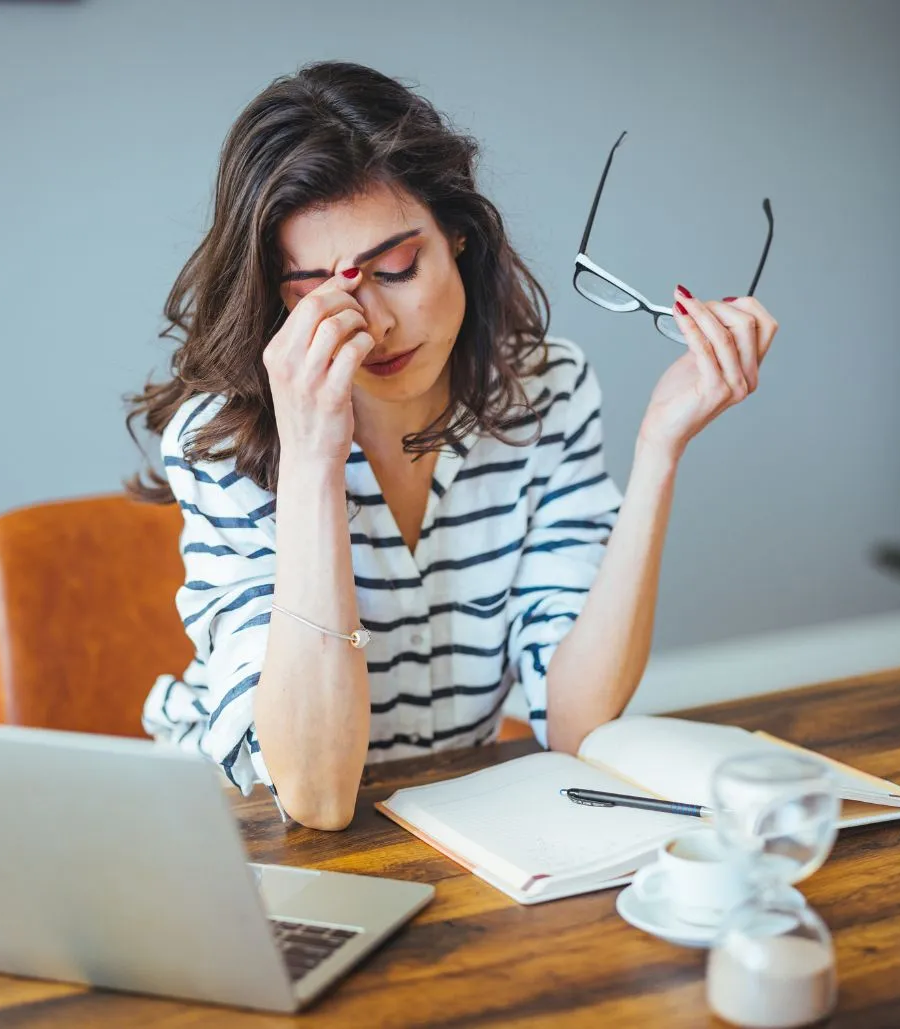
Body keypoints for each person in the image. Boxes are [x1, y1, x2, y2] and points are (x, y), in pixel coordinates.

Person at [124, 61, 778, 830]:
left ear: (459, 234)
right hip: (239, 834)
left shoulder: (544, 392)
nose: (376, 325)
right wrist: (310, 461)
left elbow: (576, 725)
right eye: (319, 295)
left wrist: (659, 451)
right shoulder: (220, 441)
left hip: (443, 823)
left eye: (397, 268)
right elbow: (317, 795)